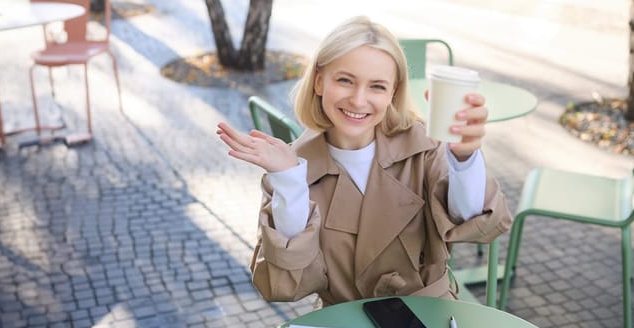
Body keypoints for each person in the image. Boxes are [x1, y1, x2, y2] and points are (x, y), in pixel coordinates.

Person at [216, 16, 512, 306]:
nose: (359, 100)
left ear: (392, 93)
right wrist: (290, 182)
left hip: (429, 319)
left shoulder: (424, 147)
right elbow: (284, 285)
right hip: (346, 326)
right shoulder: (292, 169)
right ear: (319, 82)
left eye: (377, 86)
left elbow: (474, 223)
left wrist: (464, 157)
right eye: (345, 80)